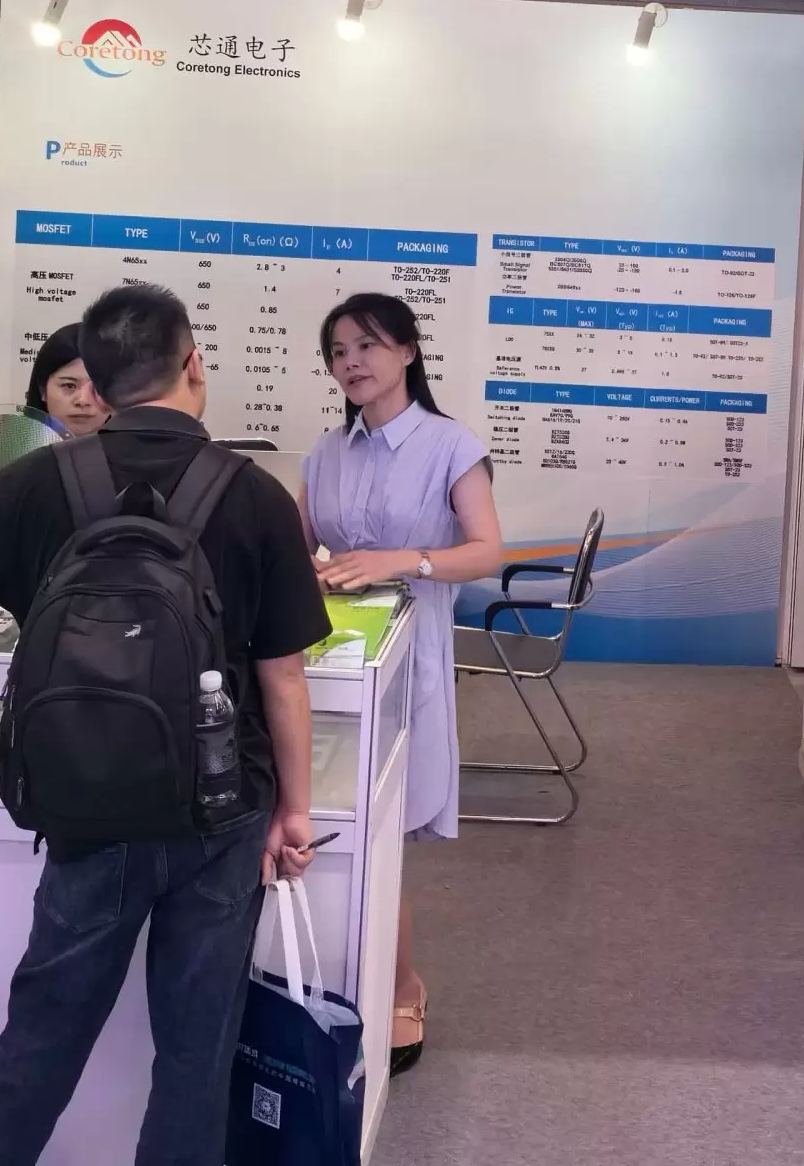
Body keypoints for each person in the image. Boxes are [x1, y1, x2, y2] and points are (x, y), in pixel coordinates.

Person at [0, 283, 330, 1166]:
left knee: (42, 1036)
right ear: (194, 366)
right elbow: (284, 678)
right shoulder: (254, 496)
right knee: (196, 1052)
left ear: (99, 387)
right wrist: (294, 812)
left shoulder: (36, 484)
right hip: (223, 809)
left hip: (86, 804)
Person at [297, 292, 504, 1074]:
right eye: (338, 351)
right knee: (328, 822)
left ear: (409, 352)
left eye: (368, 345)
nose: (351, 362)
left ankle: (402, 984)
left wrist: (402, 560)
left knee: (383, 830)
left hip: (407, 660)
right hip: (328, 660)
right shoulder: (326, 452)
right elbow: (295, 545)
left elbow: (486, 551)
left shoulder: (451, 445)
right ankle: (333, 979)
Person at [23, 322, 108, 436]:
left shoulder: (133, 447)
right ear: (43, 390)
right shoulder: (11, 445)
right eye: (69, 386)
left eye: (96, 388)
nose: (83, 401)